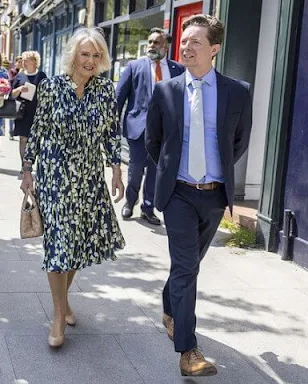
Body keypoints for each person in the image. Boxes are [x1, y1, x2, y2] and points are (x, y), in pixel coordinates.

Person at [146, 15, 252, 376]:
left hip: (214, 196)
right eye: (184, 40)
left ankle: (169, 304)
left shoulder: (238, 91)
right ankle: (188, 351)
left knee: (188, 264)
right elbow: (153, 142)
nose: (186, 47)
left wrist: (214, 176)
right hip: (177, 193)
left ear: (215, 49)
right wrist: (172, 175)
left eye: (195, 42)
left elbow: (238, 142)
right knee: (188, 267)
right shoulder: (165, 91)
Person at [20, 27, 125, 348]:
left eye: (96, 55)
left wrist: (117, 169)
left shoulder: (106, 91)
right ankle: (57, 314)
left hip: (89, 177)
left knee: (78, 244)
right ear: (73, 56)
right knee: (59, 244)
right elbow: (37, 130)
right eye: (85, 54)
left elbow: (111, 131)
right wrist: (27, 170)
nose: (90, 61)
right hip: (54, 175)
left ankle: (63, 301)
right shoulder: (51, 87)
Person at [116, 28, 185, 226]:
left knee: (156, 171)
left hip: (165, 131)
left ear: (166, 46)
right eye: (150, 42)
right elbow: (119, 98)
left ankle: (148, 208)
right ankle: (130, 200)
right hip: (138, 128)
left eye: (156, 42)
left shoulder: (177, 70)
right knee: (136, 168)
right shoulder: (134, 66)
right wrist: (111, 125)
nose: (152, 46)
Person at [9, 50, 47, 163]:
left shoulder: (41, 75)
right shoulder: (20, 76)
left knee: (35, 139)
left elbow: (47, 93)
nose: (24, 62)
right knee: (23, 139)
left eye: (26, 60)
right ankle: (24, 165)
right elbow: (11, 93)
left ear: (34, 62)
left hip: (37, 112)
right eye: (23, 60)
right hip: (22, 112)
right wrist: (20, 89)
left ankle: (33, 162)